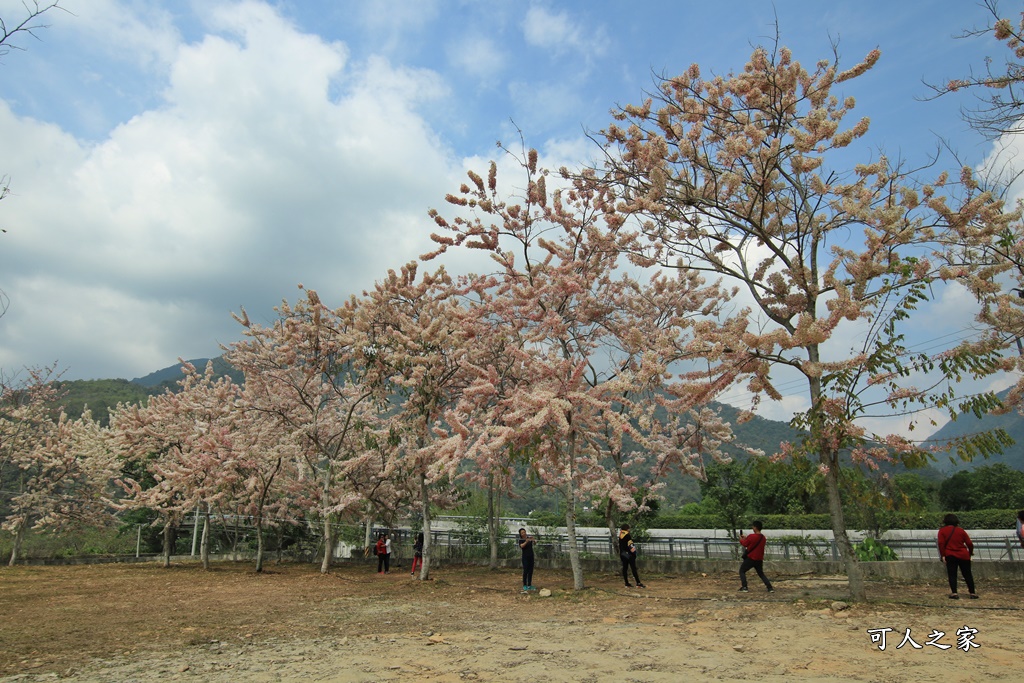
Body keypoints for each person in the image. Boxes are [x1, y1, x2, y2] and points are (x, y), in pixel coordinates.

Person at [938, 513, 977, 599]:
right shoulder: (961, 531)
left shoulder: (942, 531)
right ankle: (972, 592)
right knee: (967, 574)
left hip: (950, 554)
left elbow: (941, 544)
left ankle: (954, 593)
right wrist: (970, 552)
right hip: (963, 554)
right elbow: (969, 543)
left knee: (952, 574)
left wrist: (943, 555)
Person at [738, 521, 773, 593]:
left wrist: (741, 539)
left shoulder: (751, 536)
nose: (752, 528)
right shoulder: (763, 538)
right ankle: (769, 588)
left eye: (753, 526)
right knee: (761, 573)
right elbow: (753, 542)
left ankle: (744, 587)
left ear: (755, 527)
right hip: (759, 559)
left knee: (742, 571)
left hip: (751, 558)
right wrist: (746, 538)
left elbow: (745, 544)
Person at [618, 523, 645, 588]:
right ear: (627, 528)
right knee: (633, 568)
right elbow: (630, 545)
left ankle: (626, 583)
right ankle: (638, 583)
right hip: (629, 554)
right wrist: (634, 554)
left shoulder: (620, 535)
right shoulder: (627, 535)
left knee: (625, 568)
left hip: (623, 554)